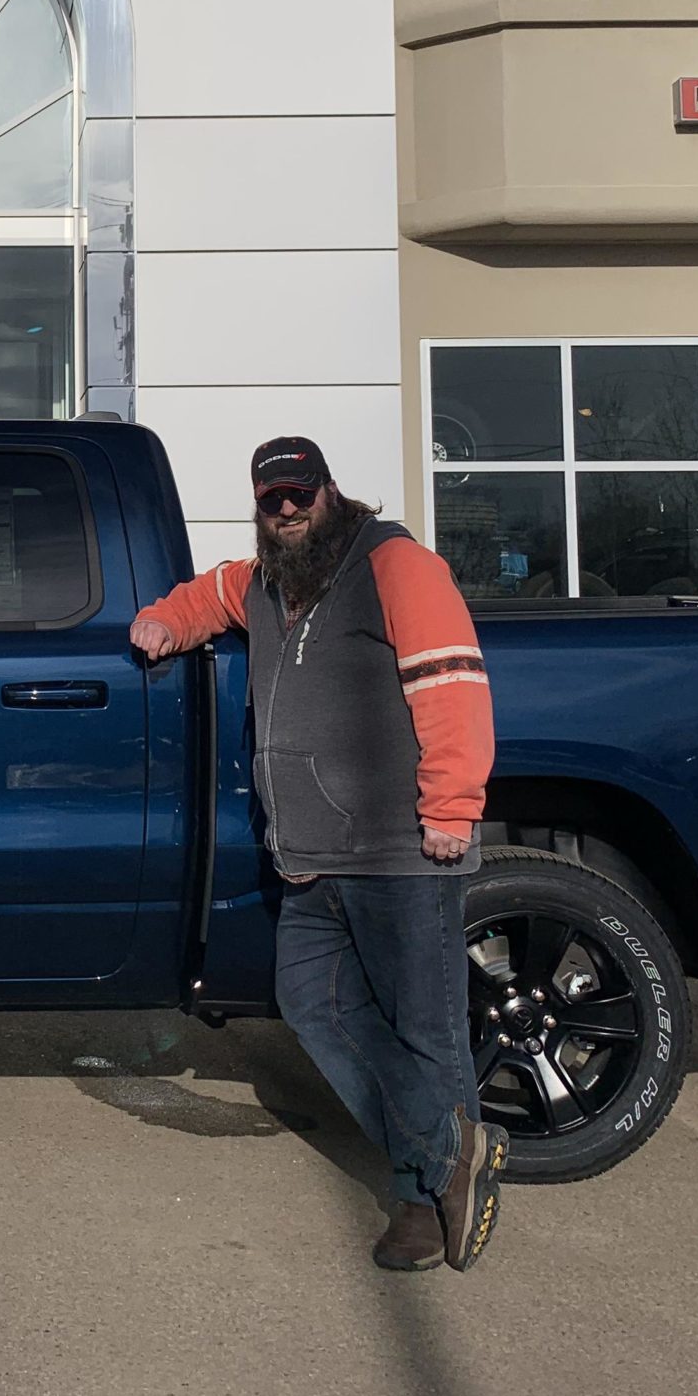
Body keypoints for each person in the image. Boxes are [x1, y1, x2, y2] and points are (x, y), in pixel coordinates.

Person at [131, 436, 505, 1273]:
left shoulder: (395, 563)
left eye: (303, 495)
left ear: (331, 492)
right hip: (308, 854)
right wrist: (166, 621)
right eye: (275, 499)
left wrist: (451, 805)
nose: (290, 510)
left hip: (400, 849)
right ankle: (450, 1158)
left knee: (426, 1030)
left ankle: (419, 1199)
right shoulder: (264, 580)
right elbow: (206, 596)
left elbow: (451, 679)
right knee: (313, 1006)